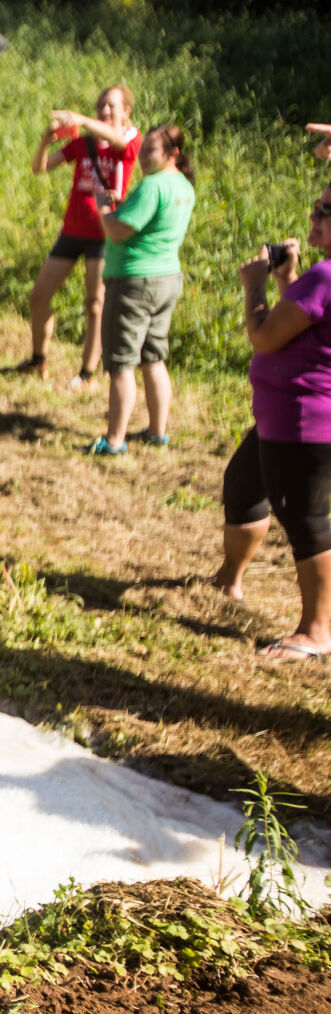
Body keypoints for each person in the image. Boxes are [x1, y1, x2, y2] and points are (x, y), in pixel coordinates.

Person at [213, 185, 331, 660]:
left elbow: (264, 336)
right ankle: (229, 580)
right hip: (283, 419)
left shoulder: (325, 277)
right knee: (244, 486)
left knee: (306, 521)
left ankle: (316, 631)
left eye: (326, 210)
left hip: (304, 421)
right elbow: (302, 324)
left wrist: (255, 285)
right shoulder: (318, 278)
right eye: (317, 205)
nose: (315, 215)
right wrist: (288, 280)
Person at [83, 124, 195, 456]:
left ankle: (114, 441)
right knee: (153, 357)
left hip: (134, 283)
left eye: (151, 151)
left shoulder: (153, 185)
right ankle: (158, 433)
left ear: (172, 154)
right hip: (166, 279)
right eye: (142, 149)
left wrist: (104, 208)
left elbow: (118, 231)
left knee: (121, 363)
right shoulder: (183, 185)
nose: (143, 156)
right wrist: (120, 208)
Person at [18, 87, 140, 386]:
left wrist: (82, 119)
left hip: (104, 235)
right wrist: (45, 142)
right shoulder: (84, 143)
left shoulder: (130, 139)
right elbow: (39, 168)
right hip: (72, 231)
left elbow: (117, 140)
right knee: (39, 296)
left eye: (111, 106)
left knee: (95, 304)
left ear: (126, 112)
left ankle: (86, 374)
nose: (105, 110)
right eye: (101, 105)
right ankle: (38, 360)